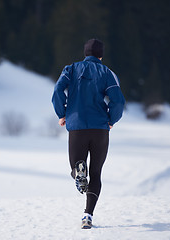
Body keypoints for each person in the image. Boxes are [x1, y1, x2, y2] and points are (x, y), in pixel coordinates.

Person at [52, 38, 125, 229]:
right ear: (101, 55)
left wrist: (62, 113)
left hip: (77, 126)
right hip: (100, 128)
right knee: (96, 173)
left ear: (85, 53)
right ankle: (88, 215)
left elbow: (58, 90)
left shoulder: (71, 69)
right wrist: (111, 119)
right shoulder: (107, 73)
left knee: (76, 168)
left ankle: (78, 170)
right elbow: (118, 101)